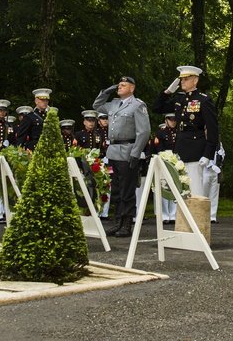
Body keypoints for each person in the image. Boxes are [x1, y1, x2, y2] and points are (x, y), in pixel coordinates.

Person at [152, 66, 220, 199]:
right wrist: (167, 92)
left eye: (186, 79)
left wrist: (208, 154)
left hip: (196, 148)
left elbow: (212, 128)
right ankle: (182, 219)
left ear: (195, 81)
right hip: (180, 148)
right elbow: (156, 108)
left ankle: (196, 219)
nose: (182, 82)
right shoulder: (179, 100)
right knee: (180, 189)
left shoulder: (203, 100)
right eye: (181, 79)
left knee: (195, 190)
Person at [94, 76, 151, 238]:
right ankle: (118, 221)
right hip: (113, 151)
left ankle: (127, 222)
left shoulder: (137, 106)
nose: (119, 87)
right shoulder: (113, 104)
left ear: (132, 88)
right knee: (117, 190)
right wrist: (106, 92)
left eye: (123, 85)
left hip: (128, 150)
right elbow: (96, 106)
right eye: (118, 85)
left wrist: (136, 152)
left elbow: (144, 131)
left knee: (127, 190)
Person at [152, 113, 178, 225]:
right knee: (164, 187)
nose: (173, 122)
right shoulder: (161, 133)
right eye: (171, 120)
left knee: (175, 188)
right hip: (164, 161)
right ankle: (164, 215)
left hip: (176, 162)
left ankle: (173, 214)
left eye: (174, 120)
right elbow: (158, 148)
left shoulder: (178, 133)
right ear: (166, 120)